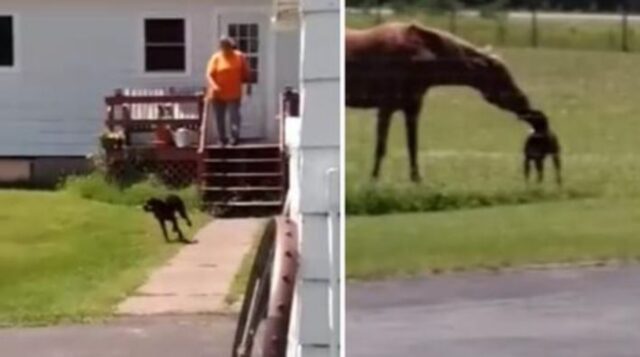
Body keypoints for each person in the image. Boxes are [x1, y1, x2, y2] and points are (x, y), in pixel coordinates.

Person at [206, 36, 251, 146]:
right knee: (219, 117)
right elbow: (209, 75)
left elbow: (246, 74)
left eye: (227, 46)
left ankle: (234, 138)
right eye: (223, 46)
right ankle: (222, 139)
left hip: (234, 93)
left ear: (232, 46)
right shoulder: (216, 58)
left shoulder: (239, 57)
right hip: (217, 93)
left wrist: (248, 87)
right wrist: (214, 86)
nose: (225, 48)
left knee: (234, 116)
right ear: (220, 47)